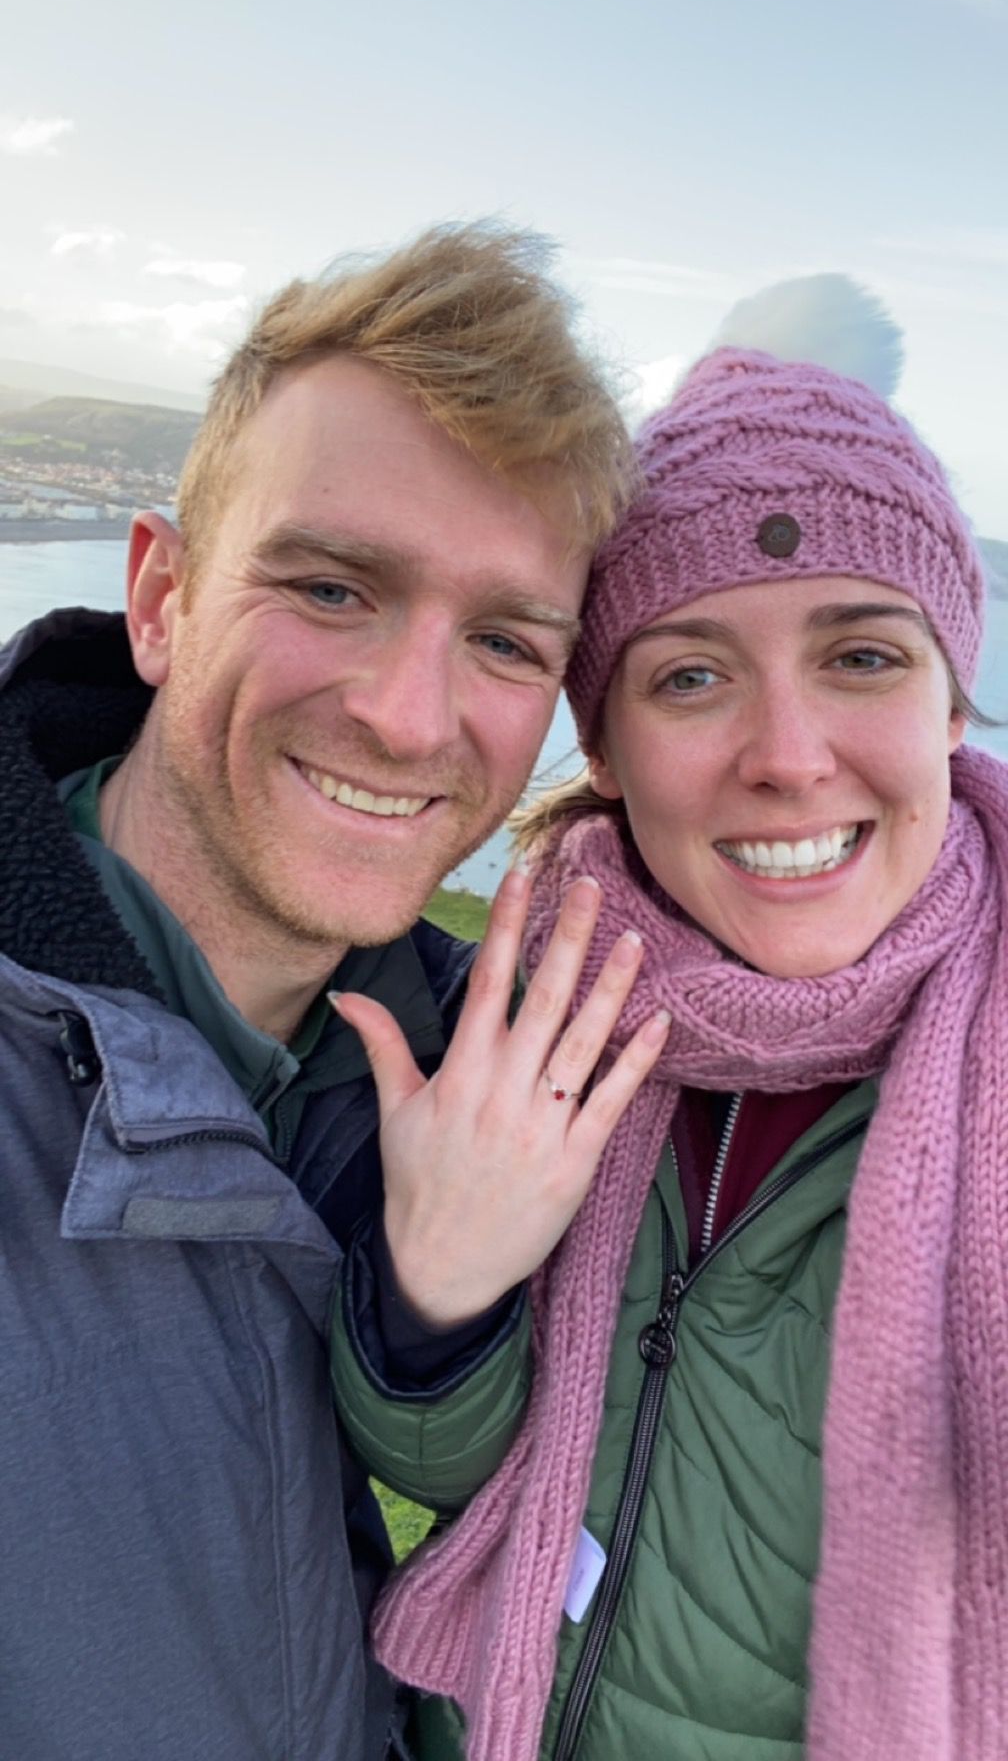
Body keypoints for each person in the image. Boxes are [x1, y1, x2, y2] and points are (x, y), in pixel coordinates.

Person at [0, 220, 670, 1761]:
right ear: (162, 598)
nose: (406, 713)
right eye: (332, 587)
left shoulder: (478, 1070)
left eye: (504, 638)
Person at [332, 328, 1008, 1760]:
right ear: (608, 744)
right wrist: (436, 1295)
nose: (788, 753)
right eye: (691, 677)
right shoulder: (543, 1007)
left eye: (864, 656)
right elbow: (440, 1465)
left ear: (951, 700)